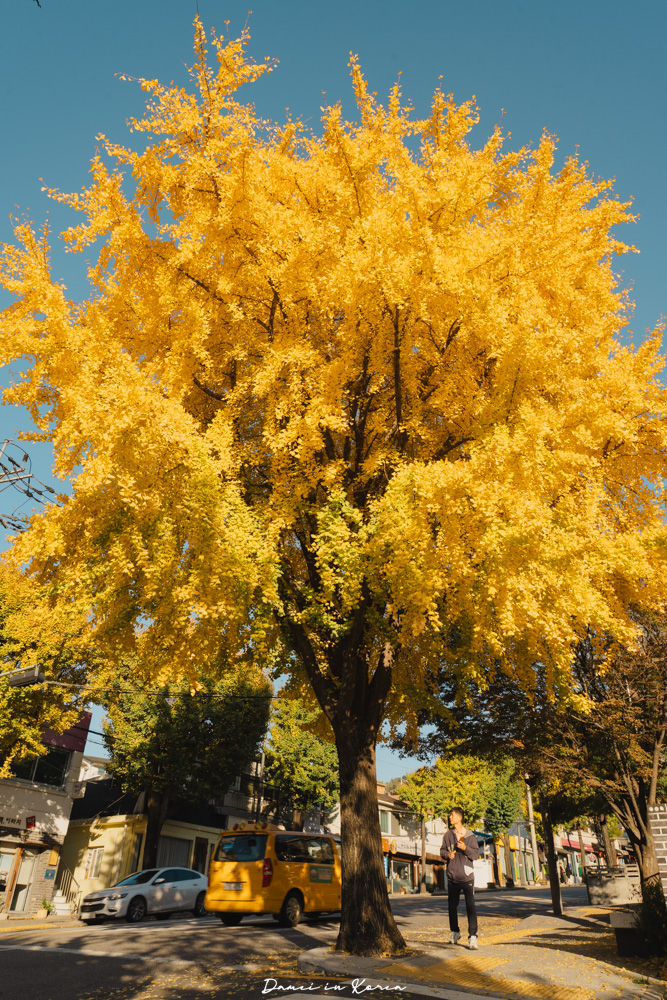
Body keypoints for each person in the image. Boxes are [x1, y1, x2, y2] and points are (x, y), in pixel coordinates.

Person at [441, 806, 480, 949]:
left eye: (452, 815)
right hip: (452, 877)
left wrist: (465, 849)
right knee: (452, 907)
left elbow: (475, 855)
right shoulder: (448, 835)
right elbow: (442, 851)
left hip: (467, 877)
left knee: (471, 907)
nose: (450, 817)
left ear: (459, 817)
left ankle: (473, 937)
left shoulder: (469, 836)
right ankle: (455, 932)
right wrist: (447, 855)